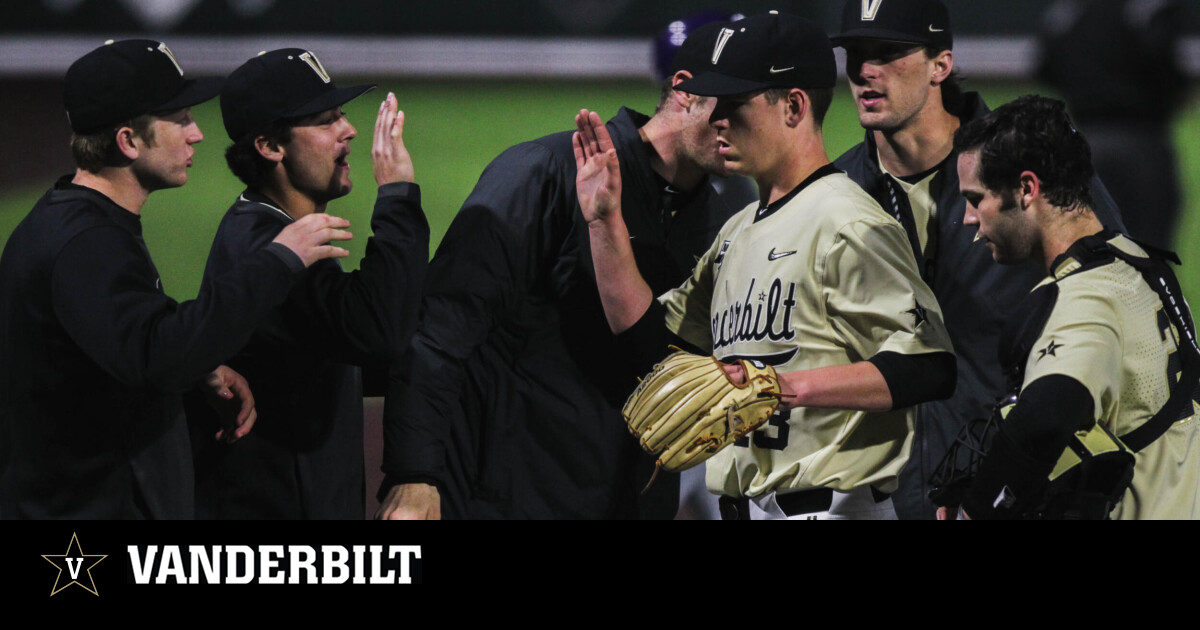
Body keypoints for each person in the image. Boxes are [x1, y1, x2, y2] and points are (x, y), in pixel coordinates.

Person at [576, 12, 956, 520]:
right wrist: (605, 226)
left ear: (794, 106)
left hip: (832, 509)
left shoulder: (847, 222)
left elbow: (929, 366)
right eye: (714, 103)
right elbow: (652, 350)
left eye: (735, 104)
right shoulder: (737, 233)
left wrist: (788, 387)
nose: (716, 120)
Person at [376, 21, 742, 520]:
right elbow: (439, 332)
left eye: (753, 108)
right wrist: (414, 474)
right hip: (505, 494)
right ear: (682, 90)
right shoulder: (543, 172)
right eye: (730, 105)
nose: (740, 125)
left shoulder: (719, 228)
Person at [0, 39, 353, 519]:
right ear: (129, 141)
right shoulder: (87, 244)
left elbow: (119, 342)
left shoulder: (73, 223)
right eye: (181, 118)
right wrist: (277, 261)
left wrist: (198, 374)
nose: (197, 135)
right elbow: (156, 356)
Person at [829, 0, 1126, 519]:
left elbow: (1119, 294)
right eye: (856, 54)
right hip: (877, 498)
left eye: (888, 52)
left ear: (940, 65)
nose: (865, 72)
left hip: (1019, 489)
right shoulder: (834, 195)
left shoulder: (1031, 169)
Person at [189, 49, 428, 519]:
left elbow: (346, 352)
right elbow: (378, 333)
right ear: (270, 146)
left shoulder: (266, 227)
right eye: (324, 120)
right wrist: (397, 196)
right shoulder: (271, 250)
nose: (349, 130)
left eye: (340, 114)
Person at [946, 95, 1199, 519]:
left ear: (1027, 189)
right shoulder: (1141, 264)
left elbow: (1047, 413)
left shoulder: (1084, 298)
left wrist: (977, 510)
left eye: (977, 198)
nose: (970, 218)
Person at [1038, 0, 1188, 251]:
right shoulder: (1147, 10)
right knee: (1148, 250)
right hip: (1142, 140)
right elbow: (1163, 61)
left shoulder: (1068, 13)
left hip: (1087, 141)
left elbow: (1044, 66)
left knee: (1093, 251)